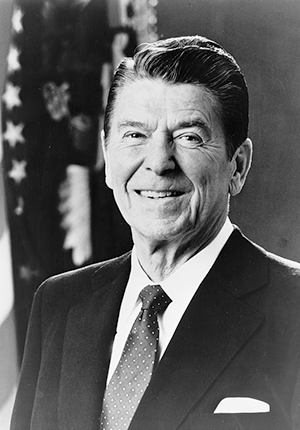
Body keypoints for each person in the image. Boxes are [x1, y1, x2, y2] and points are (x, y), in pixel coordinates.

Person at [10, 35, 300, 430]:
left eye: (188, 137)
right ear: (108, 157)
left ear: (238, 166)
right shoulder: (59, 304)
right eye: (135, 135)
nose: (159, 162)